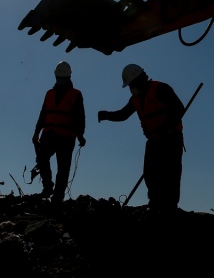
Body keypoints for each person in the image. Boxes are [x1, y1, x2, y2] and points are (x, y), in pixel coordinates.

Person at [98, 64, 185, 213]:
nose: (131, 88)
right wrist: (107, 115)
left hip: (171, 138)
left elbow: (179, 108)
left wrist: (168, 128)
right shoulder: (135, 99)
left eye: (132, 84)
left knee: (171, 173)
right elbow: (123, 114)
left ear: (140, 79)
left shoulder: (160, 89)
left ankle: (170, 206)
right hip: (154, 140)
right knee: (150, 173)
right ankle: (156, 203)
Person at [32, 61, 86, 203]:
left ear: (68, 78)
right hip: (49, 133)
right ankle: (48, 188)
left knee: (63, 168)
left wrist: (80, 135)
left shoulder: (76, 94)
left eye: (62, 78)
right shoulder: (49, 93)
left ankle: (58, 197)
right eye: (58, 78)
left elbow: (80, 116)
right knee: (42, 158)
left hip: (67, 136)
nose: (60, 80)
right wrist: (36, 132)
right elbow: (43, 114)